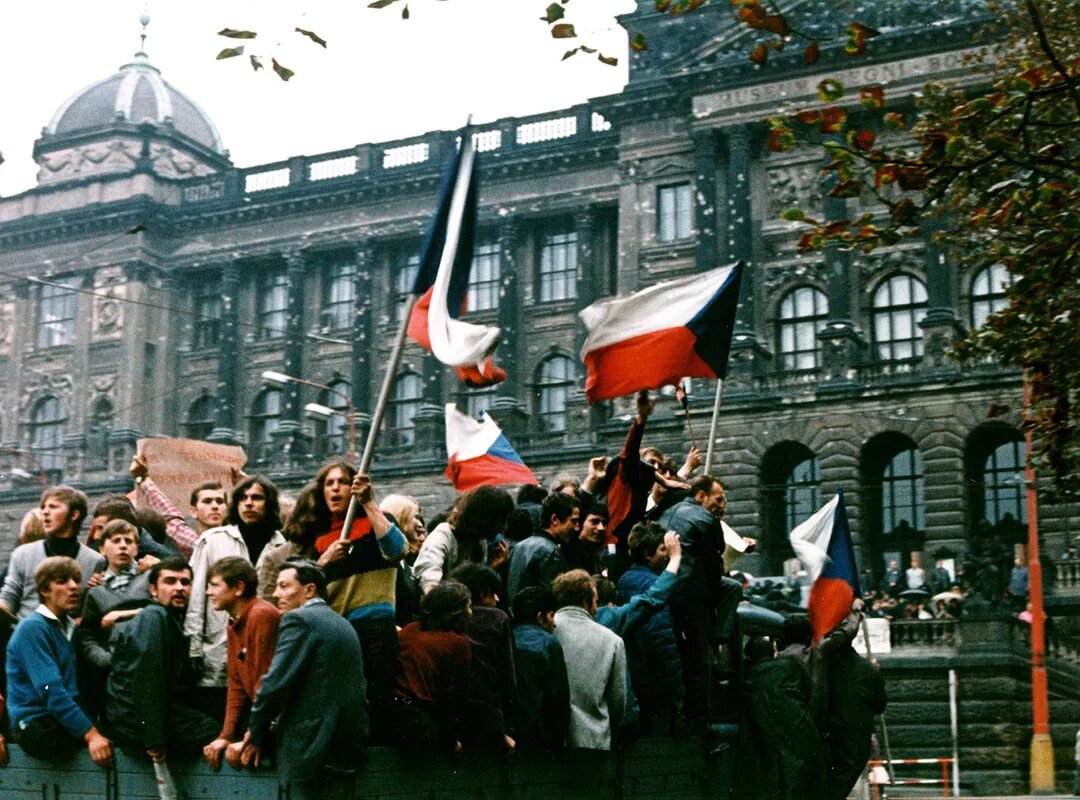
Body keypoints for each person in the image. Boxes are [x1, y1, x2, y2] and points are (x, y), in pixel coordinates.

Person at [232, 560, 368, 795]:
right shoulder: (342, 622)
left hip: (311, 747)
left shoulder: (299, 620)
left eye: (284, 586)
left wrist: (255, 733)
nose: (275, 594)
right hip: (344, 744)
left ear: (309, 590)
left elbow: (275, 685)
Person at [104, 557, 221, 769]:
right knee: (211, 729)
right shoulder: (153, 617)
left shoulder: (170, 618)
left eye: (185, 583)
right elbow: (148, 677)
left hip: (141, 714)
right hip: (133, 720)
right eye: (170, 581)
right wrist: (154, 738)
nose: (179, 588)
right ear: (153, 590)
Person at [185, 475, 285, 707]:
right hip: (217, 646)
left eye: (257, 498)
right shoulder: (212, 540)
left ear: (269, 504)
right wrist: (194, 647)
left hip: (265, 649)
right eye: (243, 497)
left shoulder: (282, 545)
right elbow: (197, 596)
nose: (249, 503)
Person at [657, 474, 747, 729]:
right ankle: (701, 721)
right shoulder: (707, 520)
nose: (723, 506)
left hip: (666, 583)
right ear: (700, 496)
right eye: (719, 499)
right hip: (692, 592)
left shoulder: (669, 510)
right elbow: (715, 565)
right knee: (701, 657)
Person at [5, 556, 113, 766]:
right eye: (63, 581)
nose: (74, 587)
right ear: (44, 590)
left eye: (76, 579)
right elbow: (51, 690)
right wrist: (91, 734)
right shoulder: (33, 629)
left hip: (58, 719)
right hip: (37, 725)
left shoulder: (68, 627)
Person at [202, 557, 281, 771]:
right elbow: (236, 685)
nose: (208, 592)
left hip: (278, 719)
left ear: (238, 588)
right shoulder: (233, 623)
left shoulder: (261, 614)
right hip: (264, 719)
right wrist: (225, 736)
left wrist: (255, 737)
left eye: (215, 585)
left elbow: (265, 683)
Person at [77, 520, 154, 714]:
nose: (123, 546)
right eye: (116, 540)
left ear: (137, 549)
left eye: (128, 541)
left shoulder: (151, 579)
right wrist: (105, 659)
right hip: (114, 669)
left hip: (151, 663)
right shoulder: (96, 591)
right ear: (102, 548)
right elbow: (87, 635)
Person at [616, 522, 685, 732]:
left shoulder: (625, 580)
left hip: (636, 674)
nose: (667, 554)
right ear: (648, 553)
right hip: (654, 681)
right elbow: (661, 637)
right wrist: (677, 687)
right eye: (663, 549)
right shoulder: (650, 585)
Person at [390, 580, 473, 752]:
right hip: (421, 718)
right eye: (469, 607)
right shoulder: (456, 643)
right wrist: (451, 739)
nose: (472, 613)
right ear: (457, 613)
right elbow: (453, 695)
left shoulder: (409, 631)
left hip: (393, 712)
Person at [1, 486, 104, 621]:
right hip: (28, 635)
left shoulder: (95, 561)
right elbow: (8, 598)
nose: (45, 512)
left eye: (53, 507)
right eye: (43, 507)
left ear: (74, 515)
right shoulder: (22, 554)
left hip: (69, 637)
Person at [552, 569, 627, 751]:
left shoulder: (547, 629)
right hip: (595, 739)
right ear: (586, 600)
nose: (596, 607)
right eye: (595, 601)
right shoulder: (612, 641)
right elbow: (618, 699)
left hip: (553, 740)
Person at [450, 562, 516, 752]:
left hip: (453, 716)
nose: (496, 599)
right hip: (488, 714)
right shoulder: (497, 618)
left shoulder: (447, 617)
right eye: (492, 593)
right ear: (482, 593)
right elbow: (508, 677)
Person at [413, 485, 514, 592]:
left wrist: (489, 568)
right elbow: (428, 574)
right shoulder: (443, 534)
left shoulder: (479, 541)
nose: (504, 526)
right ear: (486, 517)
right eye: (501, 520)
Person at [509, 586, 569, 751]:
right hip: (540, 735)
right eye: (552, 615)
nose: (554, 623)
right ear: (541, 617)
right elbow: (558, 696)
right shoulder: (548, 643)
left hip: (510, 733)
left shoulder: (506, 638)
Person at [506, 492, 579, 602]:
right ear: (555, 519)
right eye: (573, 521)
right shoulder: (550, 551)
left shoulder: (519, 546)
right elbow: (553, 596)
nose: (577, 528)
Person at [563, 502, 608, 575]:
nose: (601, 528)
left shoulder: (595, 551)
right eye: (595, 522)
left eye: (604, 523)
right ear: (581, 522)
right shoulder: (572, 552)